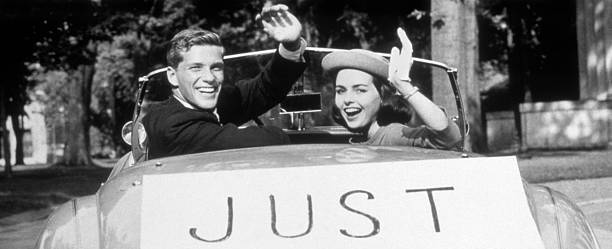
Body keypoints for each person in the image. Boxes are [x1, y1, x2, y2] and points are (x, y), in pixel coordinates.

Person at [143, 4, 307, 159]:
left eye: (216, 67)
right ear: (172, 76)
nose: (209, 78)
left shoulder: (200, 104)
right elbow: (269, 141)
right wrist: (281, 134)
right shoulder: (172, 126)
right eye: (196, 68)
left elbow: (264, 89)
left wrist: (291, 45)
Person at [321, 28, 461, 150]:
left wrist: (404, 86)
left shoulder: (390, 136)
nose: (347, 100)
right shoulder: (351, 137)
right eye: (340, 91)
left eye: (360, 90)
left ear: (382, 95)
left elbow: (448, 137)